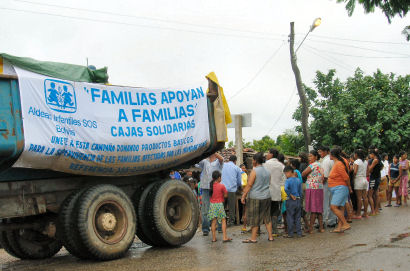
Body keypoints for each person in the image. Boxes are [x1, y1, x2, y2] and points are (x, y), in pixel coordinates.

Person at [241, 152, 273, 243]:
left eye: (253, 160)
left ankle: (253, 238)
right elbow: (269, 183)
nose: (252, 161)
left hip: (255, 197)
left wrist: (244, 195)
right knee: (267, 218)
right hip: (267, 196)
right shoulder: (267, 171)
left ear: (255, 161)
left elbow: (249, 184)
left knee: (255, 218)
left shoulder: (254, 171)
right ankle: (270, 236)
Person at [195, 153, 224, 236]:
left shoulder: (218, 162)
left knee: (218, 207)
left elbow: (221, 159)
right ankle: (205, 229)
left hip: (215, 188)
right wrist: (204, 152)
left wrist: (213, 151)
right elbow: (197, 161)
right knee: (205, 209)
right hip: (205, 188)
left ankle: (219, 228)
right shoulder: (204, 161)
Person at [328, 147, 352, 233]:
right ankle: (340, 227)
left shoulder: (338, 164)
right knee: (340, 207)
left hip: (340, 187)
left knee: (333, 207)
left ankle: (345, 224)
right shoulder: (341, 161)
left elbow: (346, 177)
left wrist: (349, 187)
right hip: (339, 188)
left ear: (332, 155)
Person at [263, 148, 285, 237]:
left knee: (266, 212)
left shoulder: (265, 165)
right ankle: (274, 230)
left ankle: (266, 231)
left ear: (271, 154)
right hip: (277, 192)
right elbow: (284, 180)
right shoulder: (281, 166)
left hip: (266, 192)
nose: (267, 154)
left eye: (268, 153)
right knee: (275, 211)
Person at [302, 150, 325, 233]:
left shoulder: (313, 165)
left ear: (315, 157)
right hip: (319, 187)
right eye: (309, 156)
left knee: (313, 208)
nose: (309, 158)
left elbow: (303, 173)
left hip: (312, 187)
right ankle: (321, 227)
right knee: (318, 208)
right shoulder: (320, 165)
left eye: (311, 156)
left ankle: (311, 228)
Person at [208, 171, 232, 243]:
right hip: (219, 204)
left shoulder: (211, 186)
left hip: (212, 205)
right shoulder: (222, 186)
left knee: (213, 222)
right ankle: (224, 237)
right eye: (220, 177)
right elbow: (225, 195)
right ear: (219, 178)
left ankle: (214, 238)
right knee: (223, 220)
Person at [318, 146, 337, 228]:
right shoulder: (332, 160)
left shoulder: (326, 161)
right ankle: (332, 220)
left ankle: (324, 221)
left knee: (325, 203)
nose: (320, 154)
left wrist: (321, 184)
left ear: (326, 151)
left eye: (321, 152)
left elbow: (325, 176)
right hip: (333, 183)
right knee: (331, 202)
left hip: (326, 183)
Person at [221, 155, 242, 226]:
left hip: (222, 189)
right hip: (232, 190)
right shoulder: (237, 168)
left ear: (229, 160)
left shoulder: (223, 165)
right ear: (235, 161)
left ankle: (221, 222)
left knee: (222, 207)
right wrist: (238, 187)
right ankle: (231, 222)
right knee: (231, 207)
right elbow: (239, 181)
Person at [284, 166, 303, 238]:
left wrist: (290, 195)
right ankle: (299, 233)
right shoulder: (298, 180)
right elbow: (300, 192)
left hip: (290, 200)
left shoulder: (288, 181)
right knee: (298, 217)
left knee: (290, 217)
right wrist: (299, 199)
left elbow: (285, 188)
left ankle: (290, 233)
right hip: (298, 200)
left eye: (285, 173)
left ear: (289, 172)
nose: (285, 175)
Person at [352, 149, 369, 219]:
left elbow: (355, 172)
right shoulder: (365, 162)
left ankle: (358, 213)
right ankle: (365, 213)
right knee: (365, 197)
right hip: (365, 179)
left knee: (359, 198)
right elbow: (368, 172)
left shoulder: (357, 162)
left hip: (358, 180)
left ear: (356, 154)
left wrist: (353, 178)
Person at [367, 149, 382, 216]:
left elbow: (370, 169)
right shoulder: (379, 160)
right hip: (378, 177)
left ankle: (373, 211)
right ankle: (376, 209)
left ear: (373, 154)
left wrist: (369, 168)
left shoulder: (375, 160)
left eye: (370, 154)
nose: (370, 156)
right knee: (376, 194)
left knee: (369, 195)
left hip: (373, 178)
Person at [240, 164, 248, 231]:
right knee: (244, 209)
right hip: (242, 192)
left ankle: (245, 226)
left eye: (244, 168)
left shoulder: (245, 174)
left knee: (245, 209)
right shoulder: (239, 174)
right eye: (242, 168)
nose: (243, 169)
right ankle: (244, 225)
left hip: (245, 192)